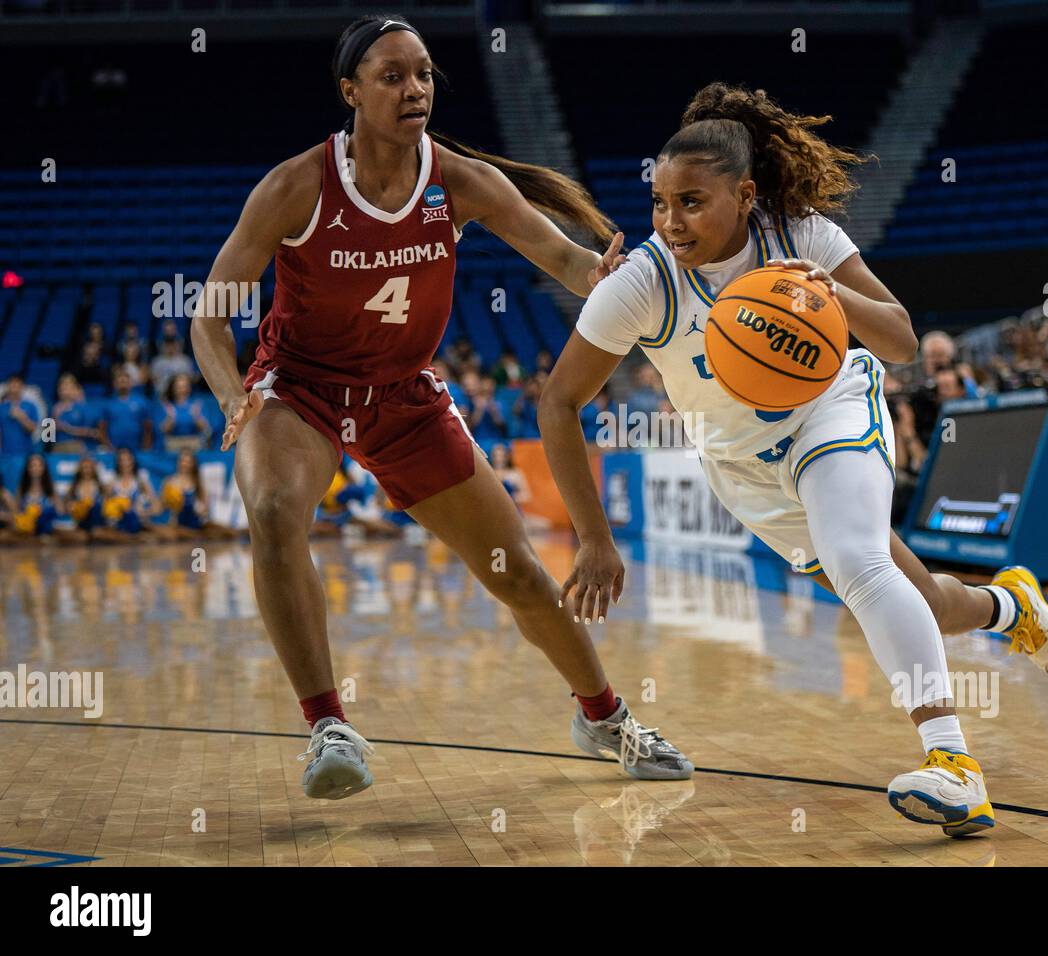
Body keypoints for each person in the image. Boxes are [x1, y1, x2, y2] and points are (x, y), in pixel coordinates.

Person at [538, 83, 1048, 837]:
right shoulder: (643, 281)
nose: (670, 221)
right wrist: (594, 538)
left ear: (745, 193)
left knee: (861, 564)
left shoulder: (801, 234)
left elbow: (900, 343)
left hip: (831, 416)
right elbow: (558, 403)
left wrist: (836, 300)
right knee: (920, 600)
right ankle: (1010, 607)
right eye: (660, 202)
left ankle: (953, 765)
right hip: (745, 470)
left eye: (692, 202)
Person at [190, 14, 690, 801]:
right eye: (393, 76)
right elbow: (209, 311)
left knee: (519, 573)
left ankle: (603, 715)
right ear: (351, 92)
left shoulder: (454, 178)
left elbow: (561, 257)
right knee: (278, 507)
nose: (414, 88)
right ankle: (329, 725)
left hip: (404, 398)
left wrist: (610, 276)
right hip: (302, 390)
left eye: (423, 73)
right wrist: (232, 392)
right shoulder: (296, 185)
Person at [155, 373, 213, 452]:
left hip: (193, 441)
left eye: (185, 386)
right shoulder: (167, 405)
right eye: (179, 387)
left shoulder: (197, 404)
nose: (182, 389)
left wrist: (196, 416)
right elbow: (162, 430)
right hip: (173, 443)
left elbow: (206, 429)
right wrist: (171, 418)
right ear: (173, 388)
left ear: (189, 387)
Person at [100, 367, 152, 451]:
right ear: (115, 384)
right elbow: (102, 428)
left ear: (130, 383)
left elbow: (147, 428)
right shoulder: (108, 404)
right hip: (114, 447)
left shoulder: (141, 402)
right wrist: (108, 446)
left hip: (137, 446)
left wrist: (145, 447)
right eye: (120, 382)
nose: (123, 384)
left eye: (125, 381)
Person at [50, 373, 100, 452]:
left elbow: (93, 430)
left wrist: (68, 429)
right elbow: (49, 434)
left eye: (67, 385)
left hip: (78, 445)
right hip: (59, 446)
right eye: (62, 386)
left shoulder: (82, 406)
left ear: (74, 388)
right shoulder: (55, 408)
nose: (64, 389)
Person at [1, 375, 41, 455]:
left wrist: (21, 417)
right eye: (12, 384)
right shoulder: (2, 407)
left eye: (17, 384)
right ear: (7, 386)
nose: (14, 387)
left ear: (22, 386)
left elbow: (33, 429)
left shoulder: (30, 405)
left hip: (25, 453)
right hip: (4, 454)